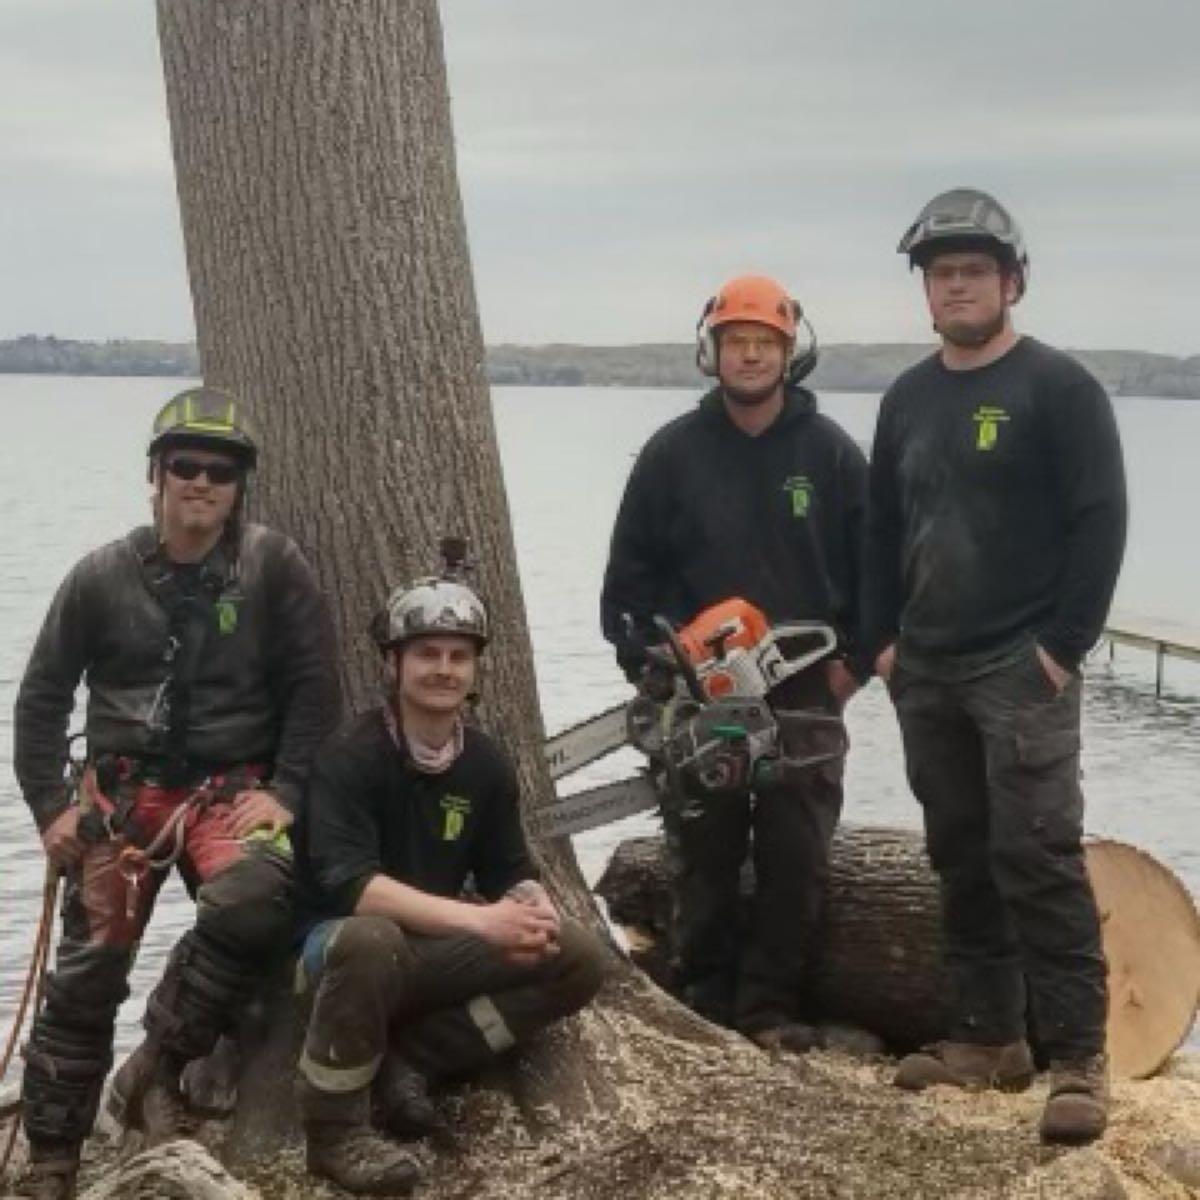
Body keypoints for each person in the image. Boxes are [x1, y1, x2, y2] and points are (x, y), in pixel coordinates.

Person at [13, 387, 341, 1198]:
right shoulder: (96, 577)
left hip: (232, 795)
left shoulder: (275, 567)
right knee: (87, 973)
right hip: (121, 801)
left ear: (239, 487)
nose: (202, 482)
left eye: (220, 471)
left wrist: (291, 792)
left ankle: (157, 1059)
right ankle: (53, 1157)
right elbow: (41, 699)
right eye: (185, 466)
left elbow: (314, 690)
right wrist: (52, 809)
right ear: (155, 476)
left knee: (258, 902)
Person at [864, 188, 1127, 1144]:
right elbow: (880, 527)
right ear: (925, 294)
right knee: (958, 853)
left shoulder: (1059, 389)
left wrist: (1062, 649)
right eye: (943, 274)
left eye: (975, 271)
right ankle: (986, 1040)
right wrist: (881, 644)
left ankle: (1078, 1061)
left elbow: (1100, 522)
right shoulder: (907, 398)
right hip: (926, 667)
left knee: (1038, 857)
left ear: (1012, 282)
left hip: (1022, 667)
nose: (958, 286)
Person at [599, 274, 869, 1050]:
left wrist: (852, 666)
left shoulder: (832, 454)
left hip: (806, 687)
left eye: (765, 343)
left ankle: (771, 1014)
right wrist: (651, 665)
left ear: (790, 353)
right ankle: (707, 1007)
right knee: (704, 859)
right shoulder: (670, 454)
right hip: (701, 691)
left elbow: (877, 570)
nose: (749, 356)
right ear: (711, 352)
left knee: (796, 859)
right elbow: (628, 580)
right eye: (736, 342)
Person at [292, 565, 610, 1196]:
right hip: (329, 957)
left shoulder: (486, 763)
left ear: (475, 669)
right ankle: (334, 1133)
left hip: (429, 951)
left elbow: (507, 869)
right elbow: (356, 890)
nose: (444, 670)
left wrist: (529, 910)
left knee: (576, 955)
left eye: (459, 657)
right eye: (427, 655)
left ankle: (417, 1060)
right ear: (394, 663)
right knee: (371, 937)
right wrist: (485, 923)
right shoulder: (348, 758)